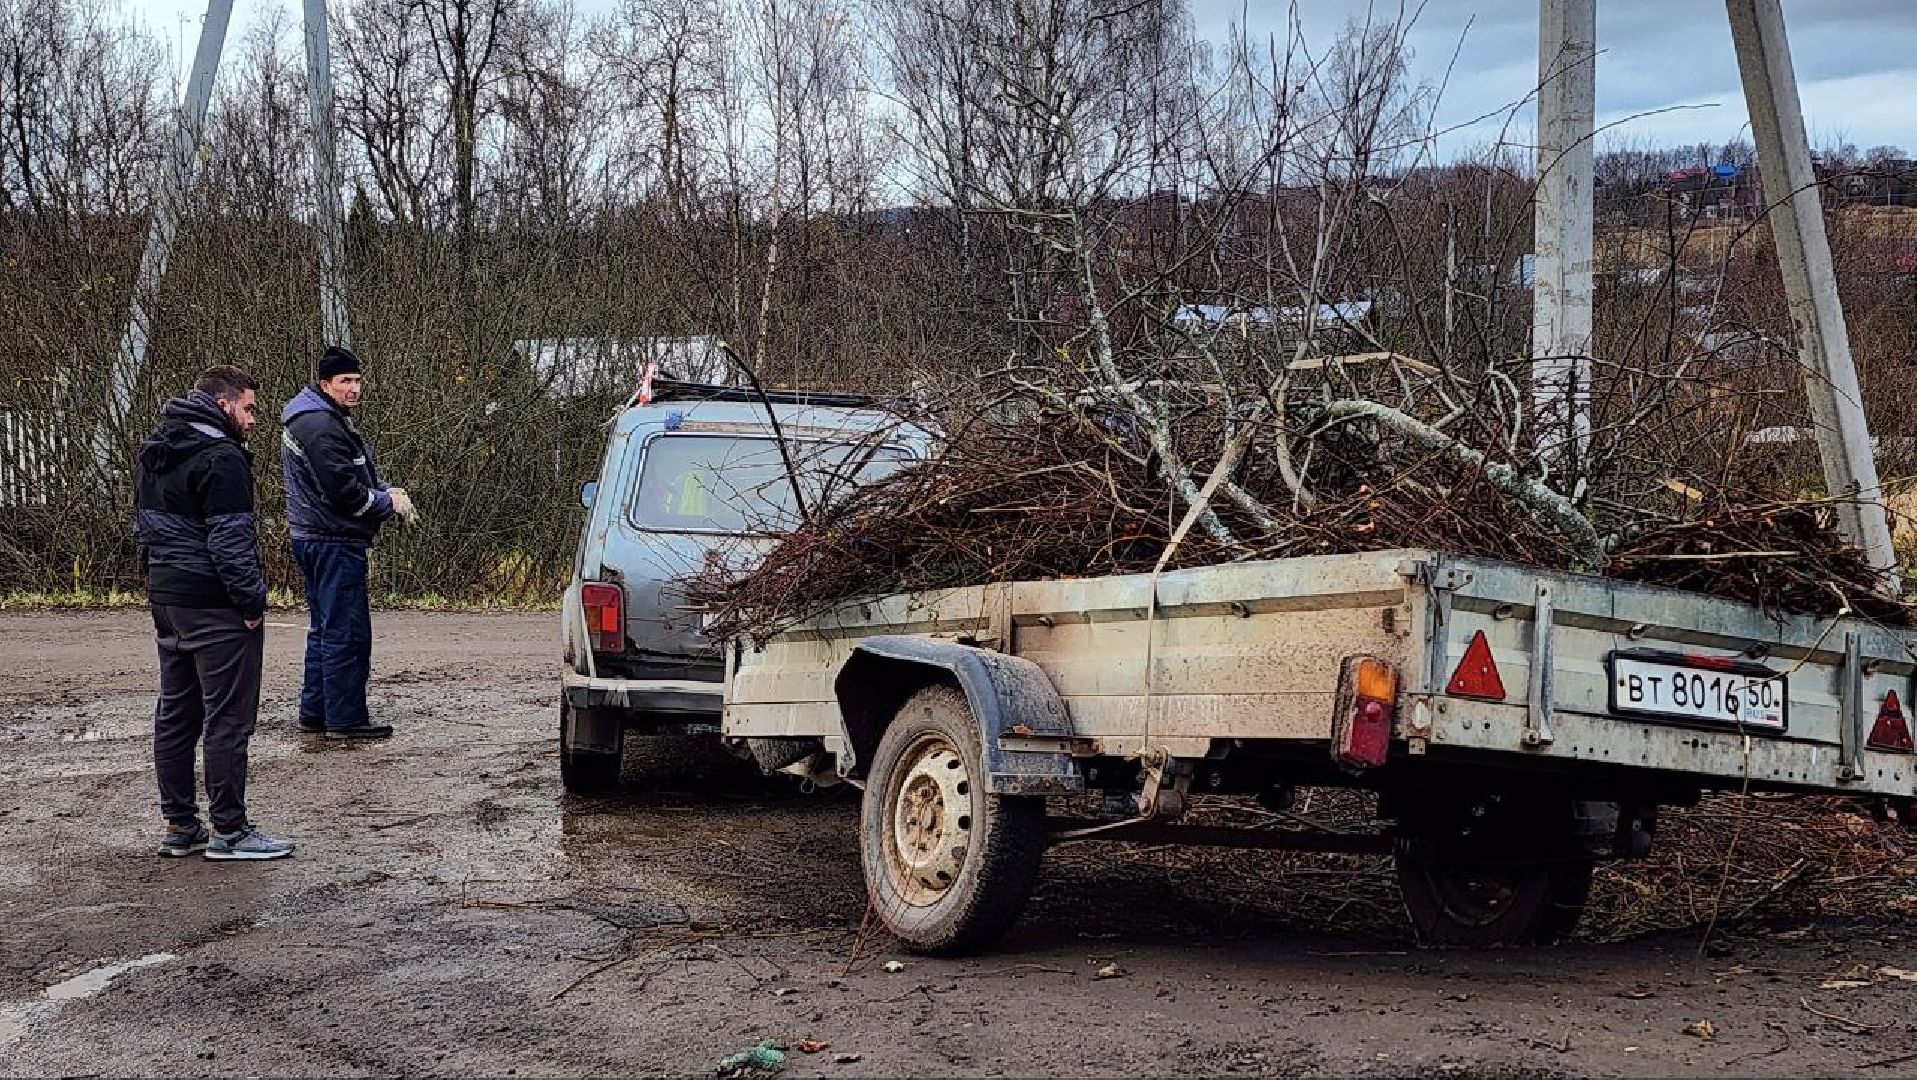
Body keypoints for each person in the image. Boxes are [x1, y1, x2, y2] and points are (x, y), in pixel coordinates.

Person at [134, 365, 294, 861]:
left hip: (169, 597)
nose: (252, 421)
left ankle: (179, 823)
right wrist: (250, 602)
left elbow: (145, 527)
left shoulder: (156, 450)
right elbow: (230, 541)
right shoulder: (222, 459)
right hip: (215, 604)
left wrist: (159, 584)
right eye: (248, 409)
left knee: (177, 713)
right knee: (228, 717)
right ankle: (230, 829)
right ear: (223, 405)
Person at [280, 346, 417, 740]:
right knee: (347, 632)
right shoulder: (321, 426)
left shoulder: (318, 417)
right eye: (345, 382)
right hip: (332, 540)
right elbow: (344, 494)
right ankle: (345, 718)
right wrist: (386, 501)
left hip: (317, 537)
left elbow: (349, 477)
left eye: (357, 380)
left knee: (325, 629)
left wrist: (382, 489)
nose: (354, 388)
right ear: (326, 384)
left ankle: (316, 711)